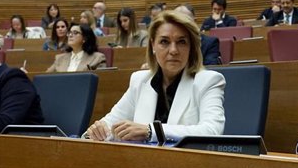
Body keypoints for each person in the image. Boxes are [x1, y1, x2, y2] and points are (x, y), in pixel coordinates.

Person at [85, 10, 226, 142]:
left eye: (181, 42)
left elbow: (212, 131)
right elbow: (112, 122)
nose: (173, 50)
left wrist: (151, 131)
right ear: (153, 45)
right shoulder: (139, 80)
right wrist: (99, 130)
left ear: (191, 47)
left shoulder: (209, 81)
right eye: (164, 42)